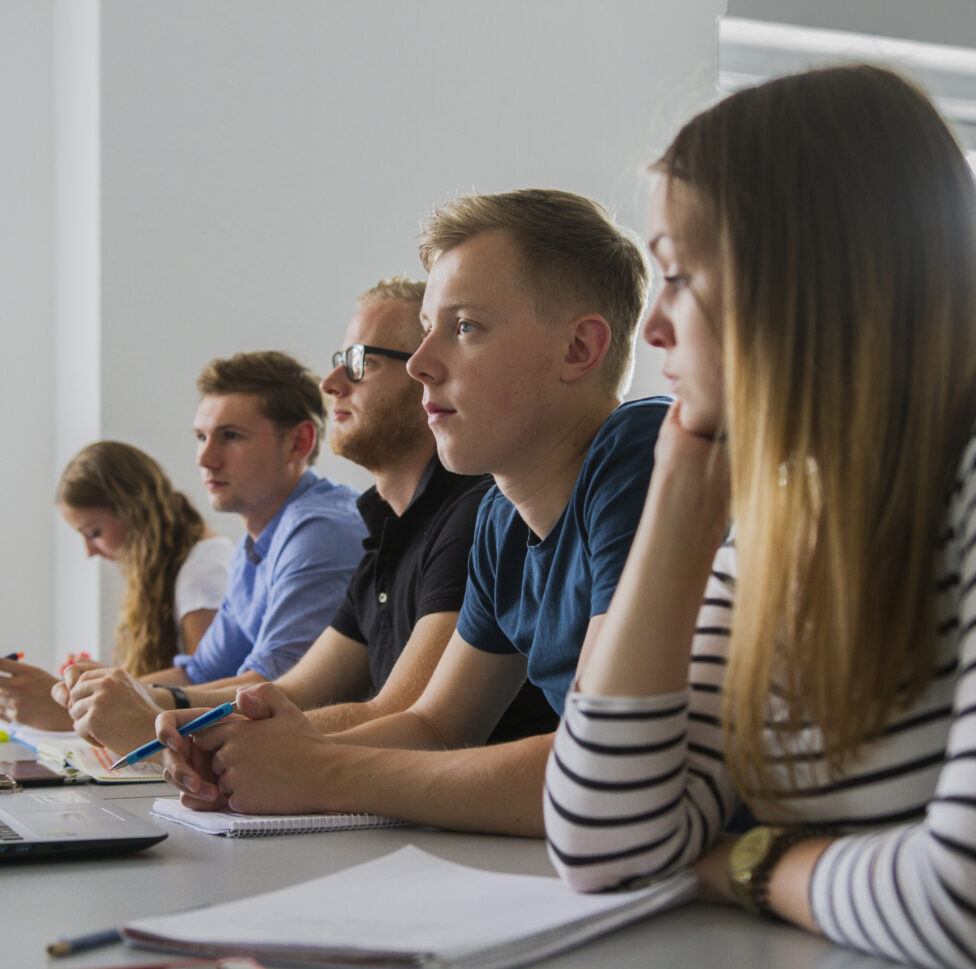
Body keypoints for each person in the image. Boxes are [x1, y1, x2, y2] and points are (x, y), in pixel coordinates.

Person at [543, 64, 976, 969]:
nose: (651, 327)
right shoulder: (784, 527)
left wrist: (753, 863)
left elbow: (962, 902)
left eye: (676, 275)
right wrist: (679, 501)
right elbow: (602, 846)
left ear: (808, 279)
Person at [154, 188, 668, 837]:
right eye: (428, 329)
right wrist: (248, 760)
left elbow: (605, 769)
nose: (422, 364)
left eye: (465, 327)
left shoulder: (642, 453)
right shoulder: (499, 519)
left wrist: (318, 773)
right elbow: (437, 724)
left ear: (577, 350)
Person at [55, 278, 554, 754]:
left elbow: (406, 715)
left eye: (361, 362)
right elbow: (297, 689)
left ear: (425, 376)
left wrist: (173, 727)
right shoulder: (385, 530)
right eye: (340, 360)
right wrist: (152, 705)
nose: (331, 382)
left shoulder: (471, 514)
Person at [0, 351, 366, 734]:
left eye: (231, 436)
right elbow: (199, 671)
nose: (205, 458)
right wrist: (85, 696)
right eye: (201, 436)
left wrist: (88, 710)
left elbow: (273, 692)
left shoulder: (320, 531)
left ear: (299, 443)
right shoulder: (254, 545)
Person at [0, 441, 232, 729]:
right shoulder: (181, 564)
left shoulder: (204, 570)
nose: (89, 551)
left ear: (133, 510)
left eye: (94, 532)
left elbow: (204, 685)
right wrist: (99, 679)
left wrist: (83, 700)